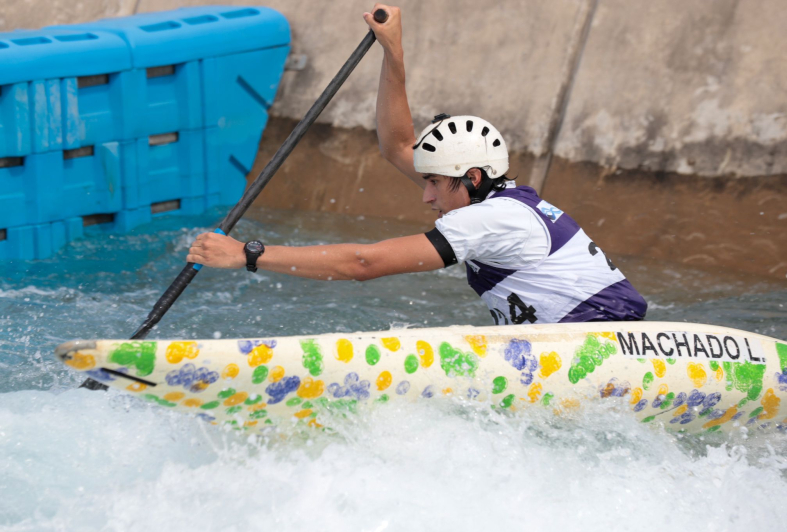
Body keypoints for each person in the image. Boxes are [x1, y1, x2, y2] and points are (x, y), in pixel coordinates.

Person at [187, 5, 647, 325]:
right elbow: (398, 145)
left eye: (433, 183)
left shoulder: (490, 220)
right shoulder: (495, 198)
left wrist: (248, 254)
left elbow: (365, 263)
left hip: (609, 339)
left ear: (471, 178)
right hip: (582, 341)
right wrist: (393, 53)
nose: (425, 195)